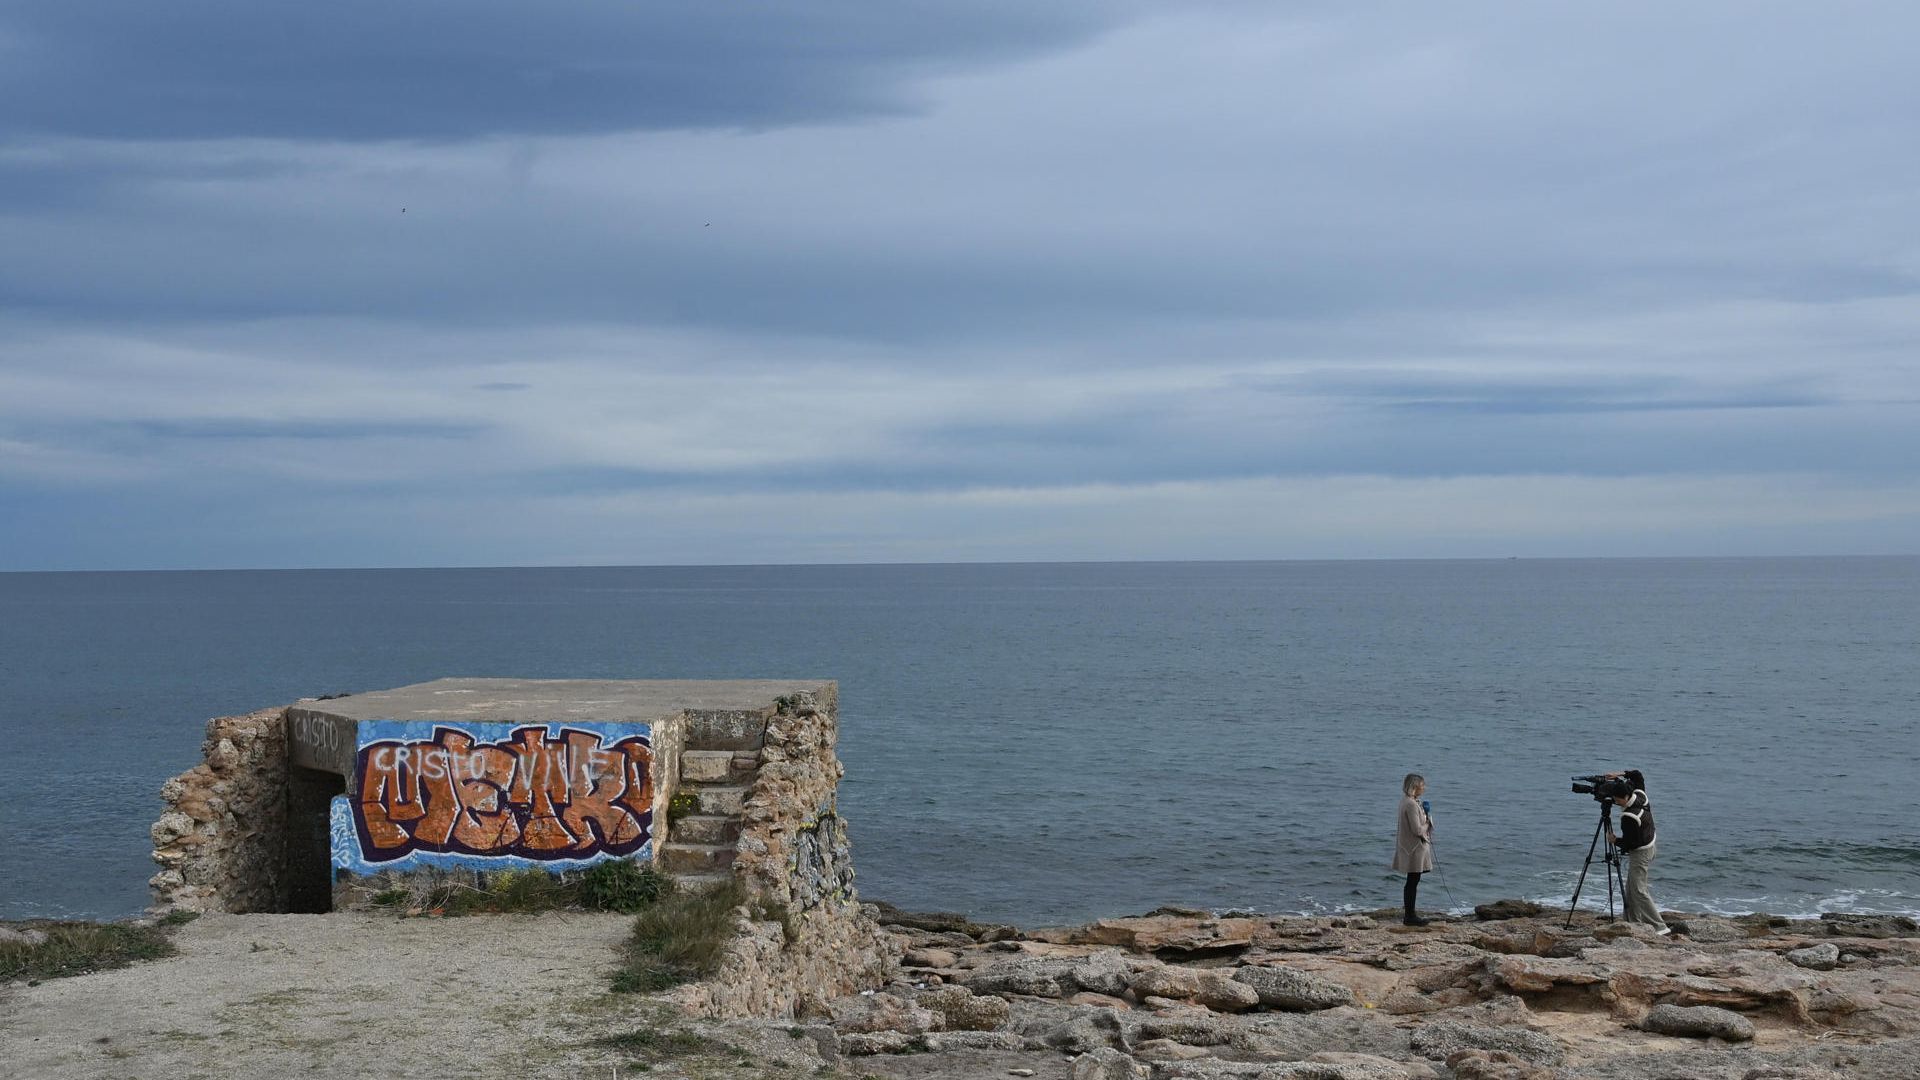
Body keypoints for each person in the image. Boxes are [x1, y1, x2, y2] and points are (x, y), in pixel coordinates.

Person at [1605, 769, 1671, 936]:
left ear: (1625, 798)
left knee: (1639, 890)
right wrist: (1619, 775)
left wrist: (1615, 841)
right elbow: (1637, 775)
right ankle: (1633, 922)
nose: (1615, 802)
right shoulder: (1641, 796)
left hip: (1641, 853)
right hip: (1651, 845)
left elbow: (1631, 843)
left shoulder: (1629, 817)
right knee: (1631, 888)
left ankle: (1660, 927)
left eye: (1616, 799)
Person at [1392, 773, 1434, 926]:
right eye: (1422, 785)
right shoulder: (1410, 804)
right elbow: (1417, 829)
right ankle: (1410, 916)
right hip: (1414, 848)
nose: (1424, 788)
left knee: (1412, 881)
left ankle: (1410, 914)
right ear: (1415, 787)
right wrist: (1428, 823)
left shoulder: (1408, 801)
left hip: (1412, 847)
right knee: (1412, 881)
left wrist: (1425, 815)